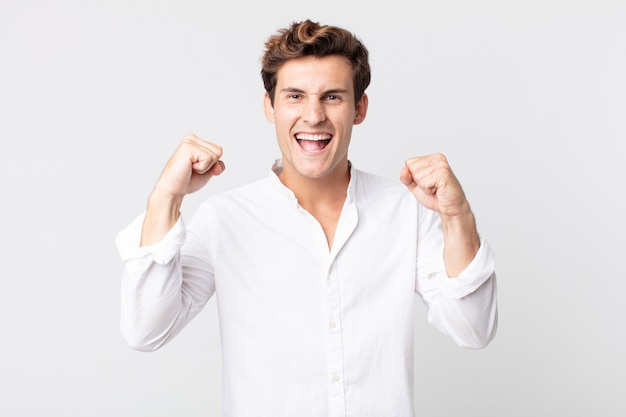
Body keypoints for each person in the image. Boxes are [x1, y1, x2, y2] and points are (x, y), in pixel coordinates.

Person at [116, 19, 498, 417]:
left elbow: (473, 330)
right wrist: (166, 196)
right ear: (270, 106)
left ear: (359, 108)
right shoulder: (225, 220)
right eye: (295, 96)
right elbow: (146, 331)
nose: (313, 116)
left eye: (332, 97)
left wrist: (457, 215)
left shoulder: (405, 212)